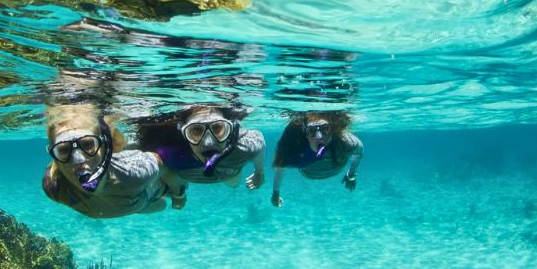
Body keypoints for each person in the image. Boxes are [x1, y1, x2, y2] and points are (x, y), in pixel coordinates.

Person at [42, 104, 186, 218]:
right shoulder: (54, 185)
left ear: (106, 146)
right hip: (132, 204)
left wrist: (179, 196)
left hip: (147, 193)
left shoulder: (133, 173)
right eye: (64, 150)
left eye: (87, 144)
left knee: (163, 202)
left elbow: (165, 168)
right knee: (158, 207)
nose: (78, 160)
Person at [136, 105, 266, 198]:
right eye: (196, 131)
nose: (208, 143)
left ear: (230, 130)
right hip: (188, 177)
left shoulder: (244, 148)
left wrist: (260, 172)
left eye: (218, 128)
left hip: (231, 175)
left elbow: (259, 141)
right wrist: (178, 195)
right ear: (184, 134)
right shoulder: (171, 155)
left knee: (233, 183)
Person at [271, 111, 363, 207]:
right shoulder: (298, 152)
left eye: (325, 129)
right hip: (309, 172)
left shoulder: (345, 142)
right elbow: (280, 165)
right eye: (311, 131)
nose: (319, 136)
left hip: (320, 170)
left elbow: (359, 150)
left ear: (332, 131)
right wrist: (275, 192)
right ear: (306, 134)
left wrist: (352, 174)